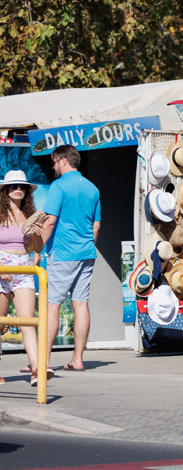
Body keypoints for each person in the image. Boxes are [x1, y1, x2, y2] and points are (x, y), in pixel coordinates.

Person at [41, 145, 100, 373]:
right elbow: (96, 226)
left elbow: (49, 221)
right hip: (86, 253)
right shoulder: (93, 188)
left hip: (63, 253)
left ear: (64, 160)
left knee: (52, 305)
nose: (53, 166)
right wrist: (85, 246)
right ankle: (77, 358)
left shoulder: (59, 186)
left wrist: (38, 250)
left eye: (54, 162)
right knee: (81, 303)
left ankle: (44, 362)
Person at [0, 171, 44, 384]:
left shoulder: (30, 214)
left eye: (22, 186)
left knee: (28, 323)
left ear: (27, 191)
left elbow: (36, 248)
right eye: (13, 186)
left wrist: (38, 236)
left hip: (24, 268)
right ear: (5, 190)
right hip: (1, 267)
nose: (18, 189)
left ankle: (37, 370)